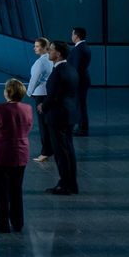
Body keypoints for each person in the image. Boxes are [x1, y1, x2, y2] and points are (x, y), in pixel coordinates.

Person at [0, 79, 33, 233]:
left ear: (7, 92)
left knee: (0, 191)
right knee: (16, 189)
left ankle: (3, 222)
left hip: (0, 154)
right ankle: (18, 222)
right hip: (20, 154)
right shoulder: (27, 108)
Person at [42, 41, 79, 195]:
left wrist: (43, 106)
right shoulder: (71, 69)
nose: (48, 52)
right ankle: (71, 183)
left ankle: (64, 184)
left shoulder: (58, 72)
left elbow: (53, 95)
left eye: (50, 50)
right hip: (69, 115)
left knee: (61, 153)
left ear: (58, 53)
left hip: (57, 117)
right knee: (68, 150)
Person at [28, 38, 54, 162]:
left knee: (43, 125)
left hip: (40, 94)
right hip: (49, 94)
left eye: (37, 46)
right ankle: (51, 148)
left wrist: (29, 92)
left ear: (44, 48)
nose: (35, 48)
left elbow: (35, 79)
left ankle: (45, 152)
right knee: (49, 123)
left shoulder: (41, 62)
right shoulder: (51, 59)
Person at [68, 28, 92, 136]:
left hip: (79, 81)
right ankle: (81, 126)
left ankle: (82, 128)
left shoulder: (78, 49)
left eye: (72, 34)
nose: (71, 36)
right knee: (80, 104)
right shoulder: (85, 47)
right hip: (83, 80)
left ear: (76, 36)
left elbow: (76, 68)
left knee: (80, 105)